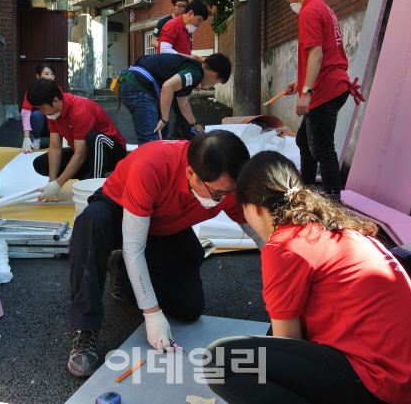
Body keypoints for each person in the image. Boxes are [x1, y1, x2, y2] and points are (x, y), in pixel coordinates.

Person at [204, 151, 411, 404]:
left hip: (384, 385)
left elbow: (288, 343)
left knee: (221, 360)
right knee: (270, 337)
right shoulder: (335, 227)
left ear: (254, 208)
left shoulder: (284, 244)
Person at [65, 131, 264, 377]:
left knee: (189, 307)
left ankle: (123, 273)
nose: (225, 199)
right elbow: (134, 246)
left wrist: (286, 278)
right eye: (219, 194)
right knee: (90, 224)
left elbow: (261, 235)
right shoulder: (150, 166)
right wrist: (151, 314)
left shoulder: (227, 183)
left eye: (230, 192)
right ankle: (85, 329)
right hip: (119, 210)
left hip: (163, 224)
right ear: (191, 174)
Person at [279, 0, 364, 202]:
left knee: (322, 147)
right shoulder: (322, 6)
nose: (287, 0)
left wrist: (306, 92)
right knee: (304, 141)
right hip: (332, 83)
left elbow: (316, 53)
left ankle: (334, 201)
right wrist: (301, 82)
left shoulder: (309, 11)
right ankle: (305, 189)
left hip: (325, 89)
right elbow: (323, 53)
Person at [26, 79, 126, 202]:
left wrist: (58, 184)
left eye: (42, 108)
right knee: (40, 163)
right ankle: (86, 176)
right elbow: (55, 147)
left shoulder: (80, 110)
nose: (41, 112)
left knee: (93, 137)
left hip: (111, 152)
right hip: (86, 154)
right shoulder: (53, 113)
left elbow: (80, 155)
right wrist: (52, 182)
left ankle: (95, 187)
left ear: (56, 101)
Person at [119, 53, 231, 145]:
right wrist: (164, 118)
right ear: (213, 75)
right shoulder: (195, 73)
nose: (213, 85)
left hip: (139, 86)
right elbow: (167, 86)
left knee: (162, 132)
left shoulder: (194, 71)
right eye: (217, 82)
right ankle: (146, 170)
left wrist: (194, 124)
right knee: (151, 139)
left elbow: (183, 104)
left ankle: (159, 166)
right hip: (137, 86)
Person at [158, 0, 210, 140]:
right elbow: (164, 50)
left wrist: (194, 81)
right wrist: (189, 57)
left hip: (178, 78)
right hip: (166, 78)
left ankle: (192, 144)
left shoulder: (186, 31)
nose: (199, 25)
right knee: (165, 118)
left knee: (182, 113)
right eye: (198, 20)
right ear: (191, 13)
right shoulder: (172, 25)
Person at [21, 63, 57, 153]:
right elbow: (25, 113)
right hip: (38, 126)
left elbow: (63, 111)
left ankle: (57, 140)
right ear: (38, 76)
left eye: (52, 74)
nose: (50, 77)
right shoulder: (32, 92)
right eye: (46, 74)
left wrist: (64, 139)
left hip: (54, 126)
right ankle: (36, 139)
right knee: (36, 114)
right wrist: (26, 138)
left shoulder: (57, 90)